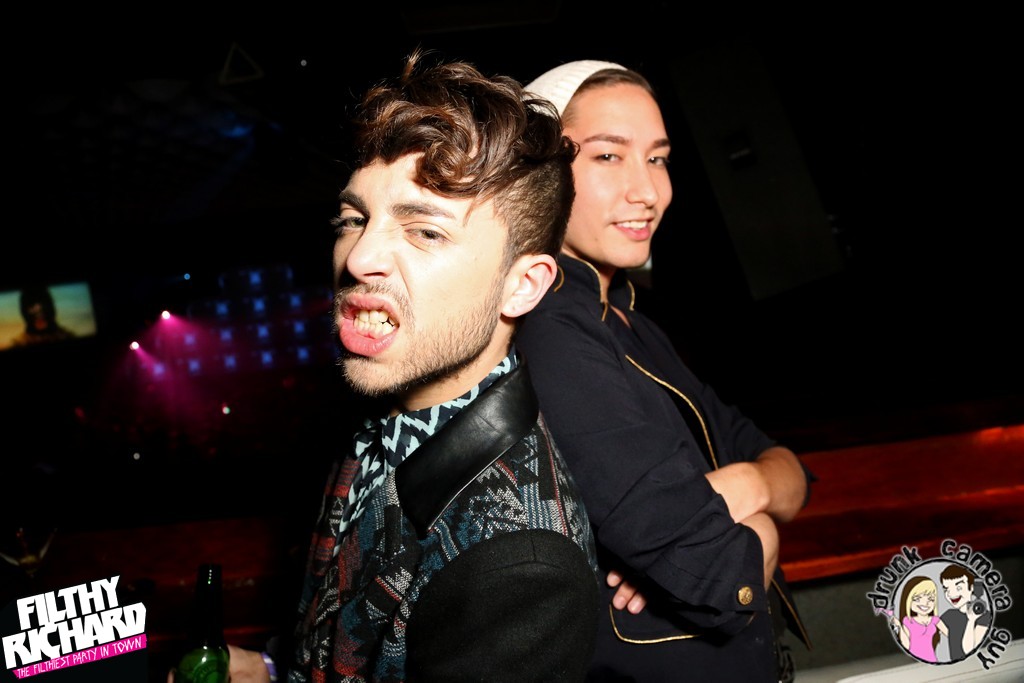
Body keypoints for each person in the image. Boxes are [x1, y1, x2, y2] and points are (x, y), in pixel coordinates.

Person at [186, 50, 600, 682]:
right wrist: (271, 667)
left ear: (522, 286)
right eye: (354, 218)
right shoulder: (373, 408)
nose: (358, 257)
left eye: (425, 231)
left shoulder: (524, 570)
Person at [516, 60, 813, 682]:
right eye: (607, 156)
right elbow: (718, 573)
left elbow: (789, 470)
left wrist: (747, 485)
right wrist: (759, 522)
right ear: (538, 172)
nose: (648, 191)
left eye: (657, 158)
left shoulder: (630, 322)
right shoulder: (549, 330)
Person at [939, 564, 991, 661]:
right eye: (947, 589)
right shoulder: (949, 615)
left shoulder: (984, 616)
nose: (951, 594)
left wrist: (971, 620)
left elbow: (968, 650)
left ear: (971, 587)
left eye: (958, 588)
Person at [889, 576, 947, 662]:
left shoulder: (935, 620)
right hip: (915, 660)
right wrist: (899, 627)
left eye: (931, 599)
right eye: (917, 599)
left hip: (932, 658)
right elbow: (907, 645)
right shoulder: (908, 621)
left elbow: (951, 635)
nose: (925, 603)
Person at [9, 285, 75, 346]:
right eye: (31, 306)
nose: (37, 311)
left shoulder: (67, 337)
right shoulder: (19, 344)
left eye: (43, 305)